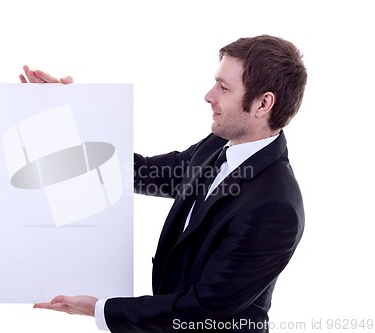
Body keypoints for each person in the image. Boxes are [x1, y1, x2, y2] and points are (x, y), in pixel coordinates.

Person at [20, 34, 307, 332]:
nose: (209, 95)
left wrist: (100, 309)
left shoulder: (275, 206)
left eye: (223, 87)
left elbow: (203, 308)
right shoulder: (217, 147)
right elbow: (143, 172)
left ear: (263, 103)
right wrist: (68, 113)